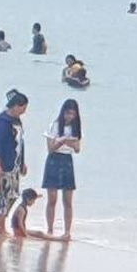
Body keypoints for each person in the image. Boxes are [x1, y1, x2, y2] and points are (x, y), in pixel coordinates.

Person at [0, 90, 29, 235]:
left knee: (13, 194)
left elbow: (20, 142)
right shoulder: (2, 120)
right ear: (15, 106)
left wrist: (23, 162)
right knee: (5, 195)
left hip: (15, 163)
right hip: (4, 163)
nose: (24, 111)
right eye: (23, 108)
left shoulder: (17, 121)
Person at [42, 99, 81, 240]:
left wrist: (66, 141)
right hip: (54, 160)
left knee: (68, 200)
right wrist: (63, 141)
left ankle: (67, 231)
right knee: (52, 198)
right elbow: (50, 148)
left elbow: (77, 148)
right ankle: (50, 229)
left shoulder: (76, 128)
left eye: (72, 114)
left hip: (67, 161)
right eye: (67, 113)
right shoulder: (55, 125)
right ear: (63, 112)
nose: (69, 116)